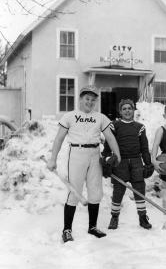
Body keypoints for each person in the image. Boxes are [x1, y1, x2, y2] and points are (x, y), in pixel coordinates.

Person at [47, 85, 121, 243]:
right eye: (87, 99)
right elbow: (59, 138)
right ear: (80, 99)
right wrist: (53, 158)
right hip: (77, 153)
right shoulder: (70, 116)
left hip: (95, 154)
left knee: (95, 191)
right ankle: (67, 230)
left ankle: (92, 227)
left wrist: (117, 154)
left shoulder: (100, 117)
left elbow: (110, 137)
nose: (90, 102)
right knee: (74, 191)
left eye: (93, 100)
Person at [101, 99, 154, 230]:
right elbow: (108, 144)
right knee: (118, 191)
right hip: (120, 162)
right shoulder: (114, 125)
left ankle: (142, 217)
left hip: (136, 162)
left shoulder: (140, 127)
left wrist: (148, 164)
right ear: (120, 111)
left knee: (139, 189)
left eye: (129, 108)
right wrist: (106, 160)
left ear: (133, 110)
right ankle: (114, 217)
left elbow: (144, 148)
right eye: (124, 109)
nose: (127, 111)